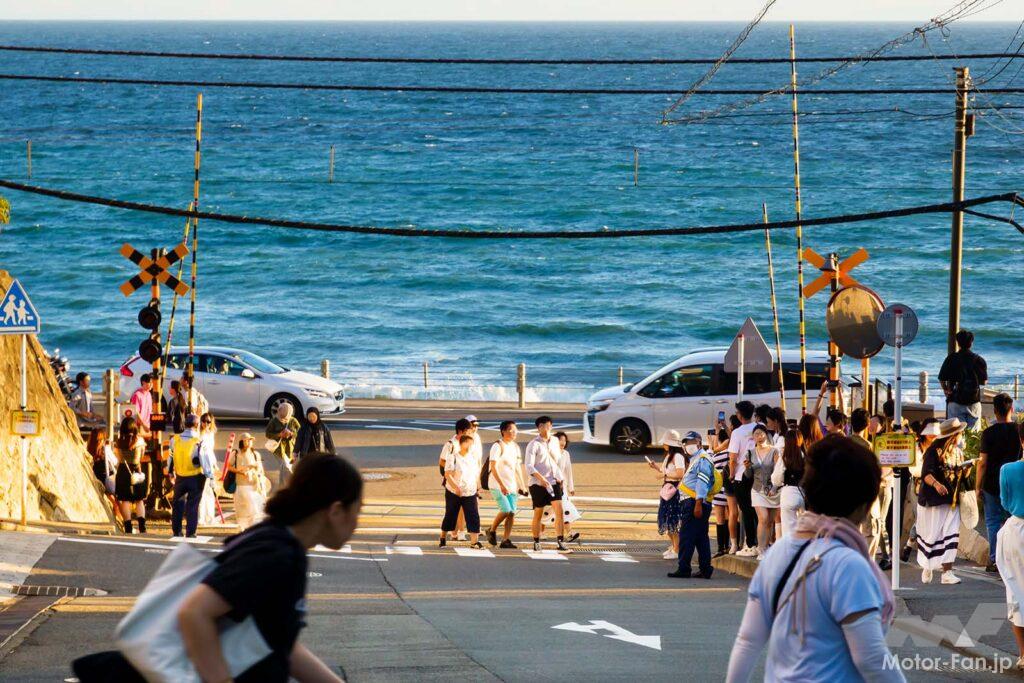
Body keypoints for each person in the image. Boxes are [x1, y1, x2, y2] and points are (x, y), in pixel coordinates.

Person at [727, 434, 903, 682]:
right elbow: (871, 658)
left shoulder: (779, 551)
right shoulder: (849, 566)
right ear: (865, 502)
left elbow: (747, 641)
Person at [175, 453, 361, 683]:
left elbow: (281, 643)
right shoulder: (276, 553)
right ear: (335, 512)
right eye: (357, 511)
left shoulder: (286, 546)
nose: (357, 522)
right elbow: (194, 612)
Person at [916, 418, 970, 585]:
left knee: (951, 534)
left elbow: (961, 477)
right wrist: (937, 484)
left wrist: (967, 469)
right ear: (954, 435)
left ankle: (947, 572)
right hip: (933, 501)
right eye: (960, 433)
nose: (962, 436)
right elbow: (926, 473)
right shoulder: (934, 451)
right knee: (932, 535)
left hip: (951, 500)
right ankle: (927, 565)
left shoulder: (957, 452)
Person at [977, 393, 1022, 572]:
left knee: (993, 522)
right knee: (1014, 519)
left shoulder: (988, 433)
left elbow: (982, 463)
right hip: (1015, 481)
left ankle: (995, 559)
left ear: (995, 411)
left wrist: (977, 486)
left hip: (992, 483)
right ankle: (1014, 556)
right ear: (1011, 409)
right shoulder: (1019, 430)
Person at [668, 431, 718, 579]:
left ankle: (684, 568)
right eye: (686, 443)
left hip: (694, 502)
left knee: (686, 536)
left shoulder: (702, 459)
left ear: (699, 443)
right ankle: (705, 569)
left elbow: (702, 482)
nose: (688, 446)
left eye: (691, 442)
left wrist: (698, 503)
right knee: (700, 537)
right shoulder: (696, 458)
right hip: (696, 502)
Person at [524, 415, 572, 552]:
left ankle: (560, 541)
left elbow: (555, 461)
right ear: (538, 428)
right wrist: (541, 479)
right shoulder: (533, 444)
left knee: (559, 511)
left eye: (549, 425)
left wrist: (559, 477)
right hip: (537, 484)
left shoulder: (555, 441)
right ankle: (536, 541)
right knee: (538, 513)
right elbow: (529, 466)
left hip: (554, 482)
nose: (546, 428)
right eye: (543, 425)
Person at [996, 443, 1024, 669]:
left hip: (1016, 530)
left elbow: (1004, 502)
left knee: (1016, 591)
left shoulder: (1007, 470)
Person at [485, 420, 526, 548]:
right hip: (497, 485)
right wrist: (501, 484)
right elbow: (493, 466)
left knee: (512, 512)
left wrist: (522, 485)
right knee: (506, 510)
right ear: (503, 431)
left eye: (515, 430)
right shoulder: (498, 446)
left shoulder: (515, 447)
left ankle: (505, 540)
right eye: (511, 430)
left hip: (512, 485)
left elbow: (517, 468)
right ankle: (491, 530)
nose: (514, 433)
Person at [439, 434, 483, 549]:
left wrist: (478, 487)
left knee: (473, 515)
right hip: (454, 491)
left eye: (472, 444)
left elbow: (475, 474)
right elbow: (447, 474)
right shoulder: (453, 457)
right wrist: (456, 487)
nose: (470, 446)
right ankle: (443, 537)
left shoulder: (473, 459)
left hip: (469, 491)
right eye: (468, 443)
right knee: (450, 514)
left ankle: (474, 541)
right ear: (461, 444)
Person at [649, 430, 687, 560]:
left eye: (665, 442)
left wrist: (664, 475)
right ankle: (674, 546)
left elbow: (680, 474)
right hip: (667, 489)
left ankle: (677, 549)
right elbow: (667, 471)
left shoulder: (677, 456)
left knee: (673, 520)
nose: (663, 444)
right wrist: (656, 467)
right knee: (667, 519)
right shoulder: (670, 455)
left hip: (673, 491)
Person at [939, 329, 988, 430]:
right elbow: (984, 382)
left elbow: (941, 378)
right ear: (971, 343)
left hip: (955, 400)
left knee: (956, 433)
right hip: (973, 401)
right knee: (973, 435)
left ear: (958, 343)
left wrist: (946, 390)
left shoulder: (951, 358)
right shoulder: (979, 360)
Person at [727, 401, 759, 557]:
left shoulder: (737, 433)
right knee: (759, 510)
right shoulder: (760, 428)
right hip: (758, 474)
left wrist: (731, 474)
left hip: (741, 475)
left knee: (746, 510)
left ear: (739, 415)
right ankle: (759, 543)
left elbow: (732, 458)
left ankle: (751, 543)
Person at [745, 424, 781, 559]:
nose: (759, 437)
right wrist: (747, 468)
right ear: (753, 437)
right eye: (756, 434)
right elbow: (748, 475)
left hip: (773, 490)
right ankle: (761, 549)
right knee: (763, 518)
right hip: (757, 489)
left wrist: (775, 488)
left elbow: (778, 471)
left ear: (766, 434)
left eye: (761, 434)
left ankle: (766, 548)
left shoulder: (774, 451)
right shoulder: (750, 452)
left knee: (770, 521)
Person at [168, 414, 207, 538]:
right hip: (196, 476)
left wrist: (170, 472)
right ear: (197, 425)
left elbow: (171, 457)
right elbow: (205, 460)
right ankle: (191, 532)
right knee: (193, 505)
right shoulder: (199, 441)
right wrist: (210, 476)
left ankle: (177, 531)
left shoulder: (175, 439)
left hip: (180, 476)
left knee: (177, 505)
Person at [438, 418, 472, 541]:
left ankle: (459, 532)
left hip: (465, 480)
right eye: (468, 431)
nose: (470, 434)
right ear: (461, 431)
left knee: (463, 507)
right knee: (452, 509)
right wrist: (450, 471)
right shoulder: (450, 444)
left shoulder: (468, 443)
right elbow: (441, 461)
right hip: (452, 481)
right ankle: (451, 532)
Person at [228, 433, 269, 531]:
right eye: (248, 440)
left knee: (254, 510)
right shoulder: (236, 454)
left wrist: (255, 469)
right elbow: (229, 466)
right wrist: (239, 471)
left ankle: (252, 530)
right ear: (242, 442)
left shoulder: (255, 454)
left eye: (251, 440)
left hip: (254, 486)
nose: (250, 442)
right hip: (241, 486)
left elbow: (261, 471)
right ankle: (244, 529)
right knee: (241, 511)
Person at [114, 416, 147, 534]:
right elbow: (142, 456)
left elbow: (117, 457)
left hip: (123, 471)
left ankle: (128, 526)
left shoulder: (118, 442)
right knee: (139, 500)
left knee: (125, 500)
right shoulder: (140, 441)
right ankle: (142, 526)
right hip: (136, 470)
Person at [548, 431, 581, 543]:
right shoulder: (550, 452)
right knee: (546, 511)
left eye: (564, 440)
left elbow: (568, 471)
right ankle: (540, 533)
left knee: (564, 509)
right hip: (551, 484)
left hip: (563, 487)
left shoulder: (566, 454)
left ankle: (569, 532)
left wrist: (571, 487)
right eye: (560, 440)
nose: (562, 442)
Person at [771, 429, 805, 538]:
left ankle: (790, 553)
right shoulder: (806, 456)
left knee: (789, 532)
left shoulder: (785, 458)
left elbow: (776, 479)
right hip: (804, 495)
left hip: (789, 494)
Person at [86, 427, 121, 521]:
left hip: (96, 479)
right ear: (101, 440)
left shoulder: (88, 449)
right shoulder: (105, 449)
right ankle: (121, 521)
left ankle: (118, 519)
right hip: (108, 479)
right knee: (117, 502)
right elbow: (115, 461)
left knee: (114, 501)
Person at [266, 402, 300, 488]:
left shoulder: (293, 421)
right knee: (286, 467)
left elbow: (300, 433)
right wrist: (279, 435)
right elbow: (268, 434)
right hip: (278, 448)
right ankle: (293, 485)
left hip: (290, 448)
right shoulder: (274, 421)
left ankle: (282, 487)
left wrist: (292, 434)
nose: (283, 417)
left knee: (284, 467)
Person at [711, 427, 731, 557]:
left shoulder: (717, 455)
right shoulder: (731, 453)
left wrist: (716, 443)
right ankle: (730, 545)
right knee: (731, 516)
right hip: (730, 486)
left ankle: (720, 548)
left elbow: (713, 452)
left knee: (720, 519)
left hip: (718, 487)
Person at [197, 413, 220, 527]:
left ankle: (210, 518)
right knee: (201, 492)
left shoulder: (211, 434)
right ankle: (201, 518)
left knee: (210, 492)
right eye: (204, 421)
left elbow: (210, 450)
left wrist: (215, 463)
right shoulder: (198, 434)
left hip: (209, 464)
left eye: (208, 421)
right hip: (201, 465)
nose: (205, 424)